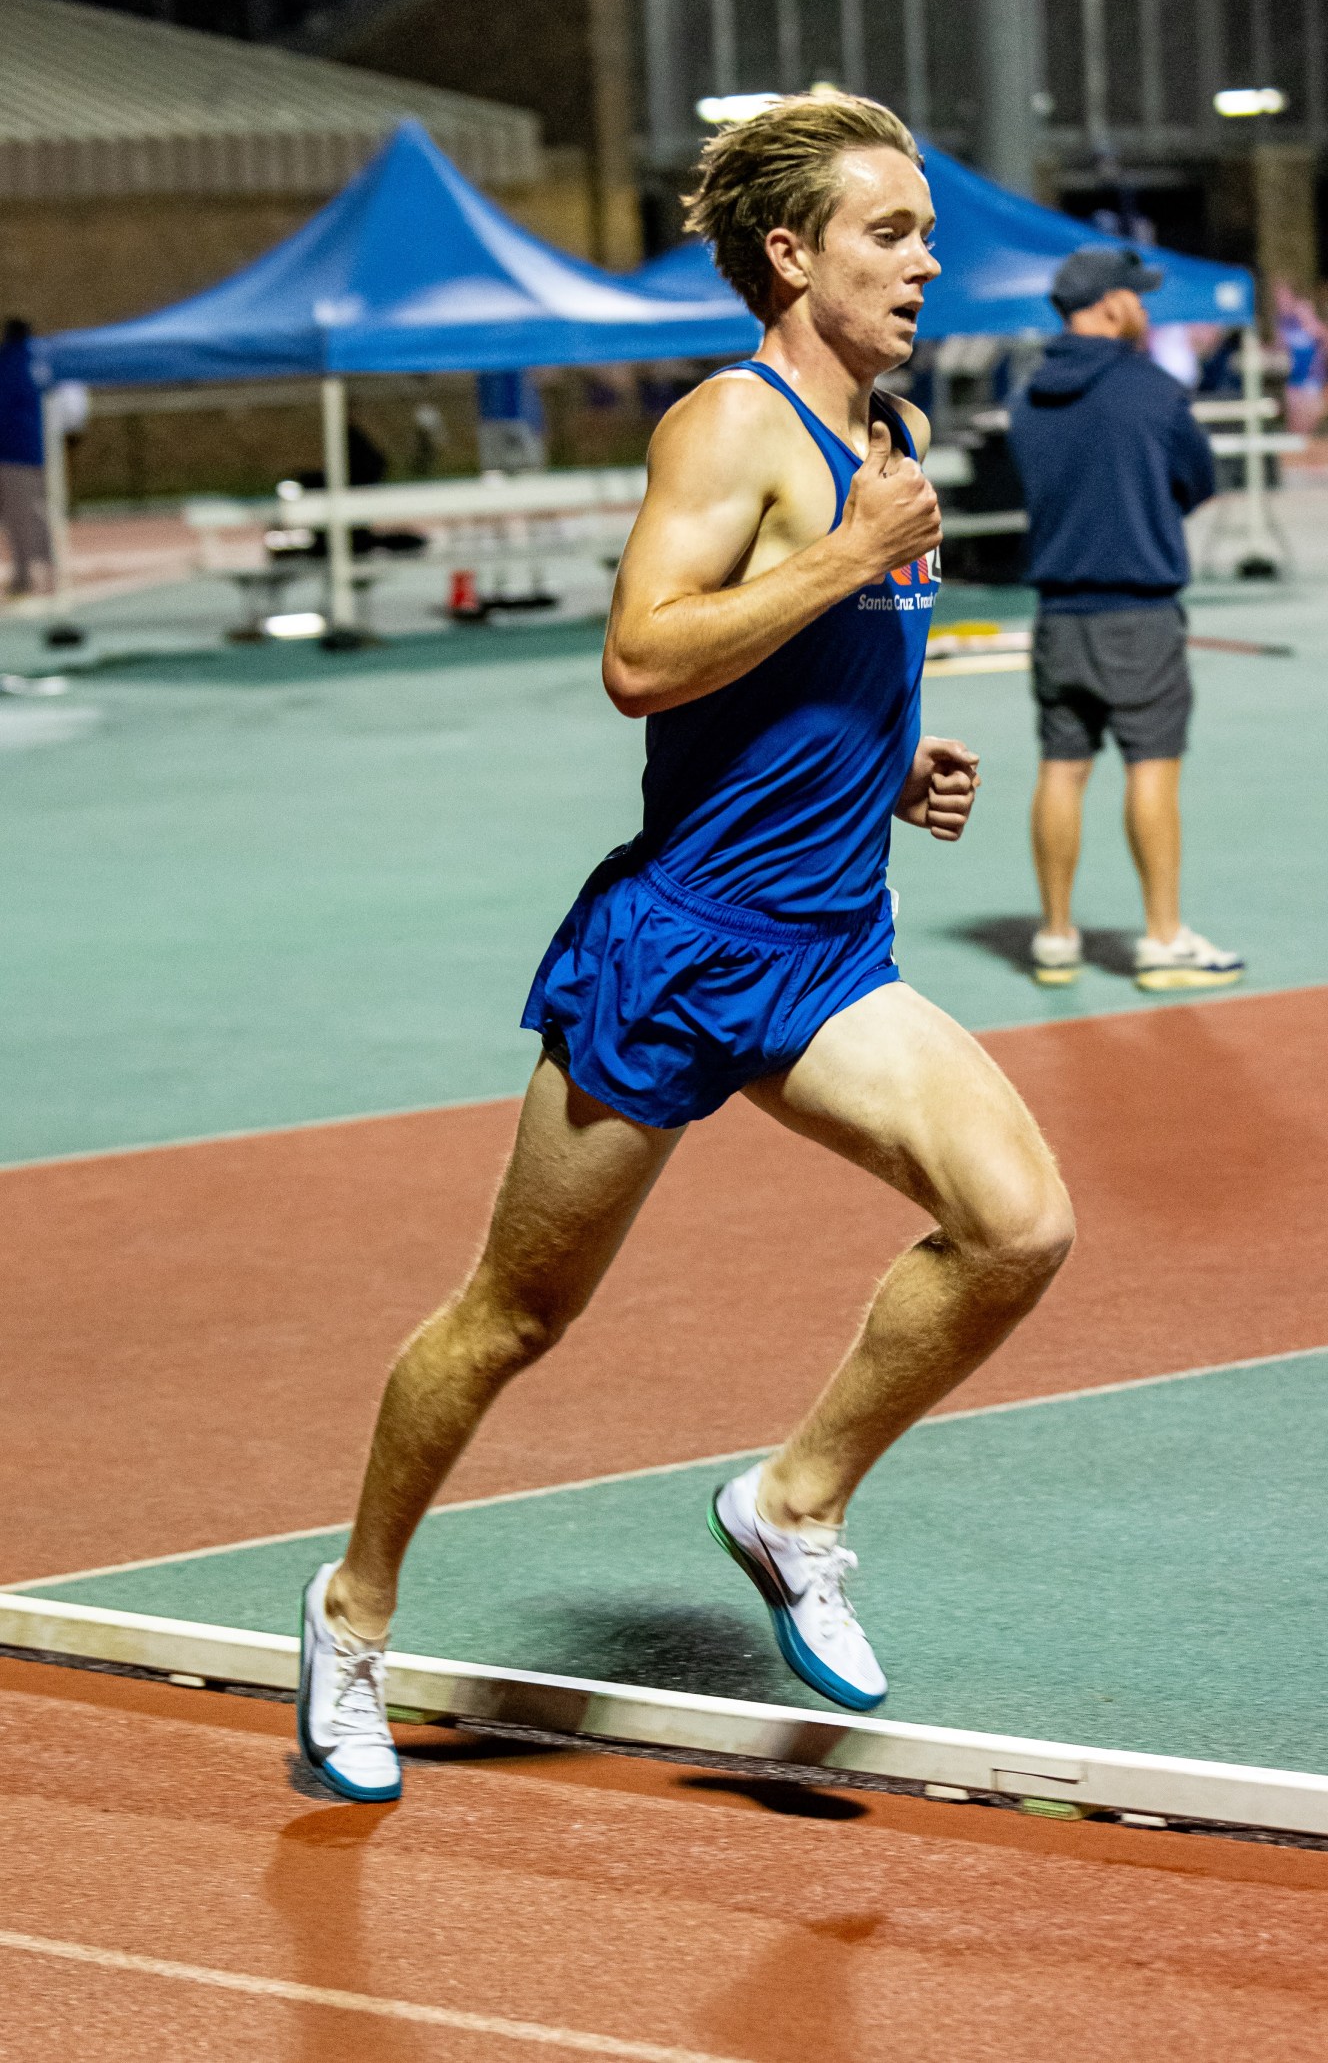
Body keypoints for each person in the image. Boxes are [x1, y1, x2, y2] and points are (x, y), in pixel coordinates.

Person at [297, 93, 1075, 1803]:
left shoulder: (899, 427)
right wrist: (857, 557)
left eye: (927, 234)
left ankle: (793, 1502)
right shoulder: (730, 428)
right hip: (675, 949)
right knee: (514, 1318)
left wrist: (894, 759)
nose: (926, 263)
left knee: (1019, 1226)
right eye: (892, 234)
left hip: (826, 953)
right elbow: (645, 661)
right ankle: (350, 1613)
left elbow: (815, 663)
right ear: (791, 256)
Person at [1008, 247, 1243, 991]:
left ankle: (1053, 935)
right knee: (1151, 767)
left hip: (1056, 615)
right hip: (1138, 612)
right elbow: (1198, 479)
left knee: (1062, 768)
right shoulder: (1152, 388)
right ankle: (1164, 939)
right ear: (1111, 304)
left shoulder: (1029, 394)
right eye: (1136, 297)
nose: (1145, 309)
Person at [0, 317, 52, 597]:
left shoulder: (11, 362)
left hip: (14, 453)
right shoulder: (39, 360)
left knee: (20, 517)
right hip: (36, 450)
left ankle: (27, 576)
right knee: (35, 514)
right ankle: (48, 571)